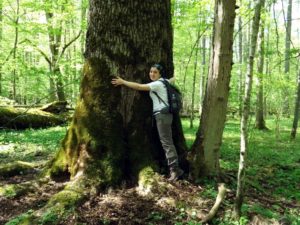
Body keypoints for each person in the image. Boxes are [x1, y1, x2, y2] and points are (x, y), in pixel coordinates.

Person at [111, 64, 184, 181]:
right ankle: (174, 168)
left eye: (155, 72)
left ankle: (175, 170)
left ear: (160, 74)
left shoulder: (157, 84)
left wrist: (123, 82)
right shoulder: (165, 82)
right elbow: (171, 79)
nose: (152, 74)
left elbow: (139, 87)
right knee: (167, 142)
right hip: (165, 115)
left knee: (167, 143)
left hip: (162, 115)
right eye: (151, 71)